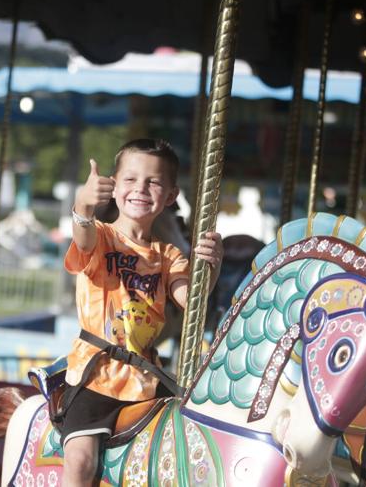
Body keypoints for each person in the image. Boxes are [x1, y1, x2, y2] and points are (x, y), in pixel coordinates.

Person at [61, 138, 223, 486]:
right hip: (97, 377)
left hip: (148, 380)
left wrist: (210, 268)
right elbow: (83, 236)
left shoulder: (168, 256)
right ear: (114, 186)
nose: (141, 188)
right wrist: (82, 206)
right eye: (131, 179)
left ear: (170, 196)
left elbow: (189, 299)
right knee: (80, 461)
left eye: (153, 182)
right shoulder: (102, 238)